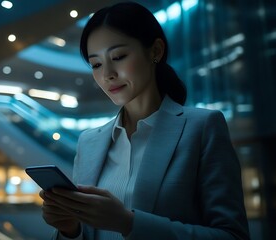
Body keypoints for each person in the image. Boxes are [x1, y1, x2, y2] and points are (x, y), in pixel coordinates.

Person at [38, 1, 250, 239]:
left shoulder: (202, 128)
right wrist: (70, 229)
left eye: (118, 56)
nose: (107, 74)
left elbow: (233, 236)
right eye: (96, 64)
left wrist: (128, 223)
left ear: (155, 51)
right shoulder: (89, 142)